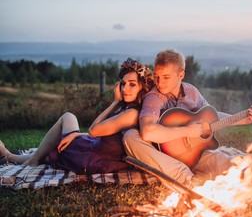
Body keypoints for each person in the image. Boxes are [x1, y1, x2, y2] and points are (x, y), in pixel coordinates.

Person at [122, 49, 252, 186]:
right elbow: (147, 131)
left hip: (194, 154)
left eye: (166, 77)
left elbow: (210, 116)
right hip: (164, 158)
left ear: (181, 75)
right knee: (130, 137)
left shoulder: (192, 92)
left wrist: (242, 119)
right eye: (157, 76)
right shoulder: (154, 97)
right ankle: (187, 180)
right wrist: (187, 131)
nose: (160, 82)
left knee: (235, 165)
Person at [0, 58, 154, 175]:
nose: (125, 88)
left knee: (67, 118)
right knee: (53, 150)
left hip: (93, 157)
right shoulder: (132, 109)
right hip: (95, 147)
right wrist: (77, 135)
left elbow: (94, 130)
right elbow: (103, 134)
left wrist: (115, 102)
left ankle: (27, 160)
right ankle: (13, 156)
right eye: (123, 83)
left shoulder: (131, 114)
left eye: (132, 84)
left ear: (143, 88)